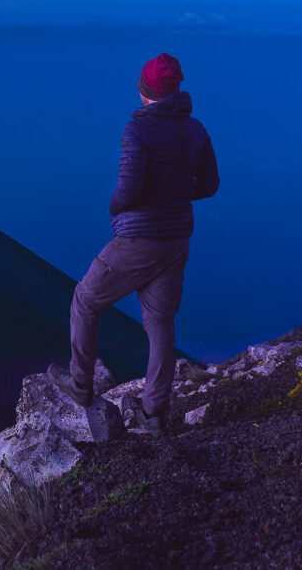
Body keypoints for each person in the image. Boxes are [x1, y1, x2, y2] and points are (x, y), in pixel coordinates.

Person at [48, 53, 219, 437]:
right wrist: (176, 194)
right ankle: (152, 413)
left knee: (86, 299)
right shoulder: (196, 130)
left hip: (138, 239)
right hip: (176, 240)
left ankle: (79, 385)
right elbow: (209, 185)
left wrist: (115, 204)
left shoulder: (137, 132)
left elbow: (127, 190)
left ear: (144, 91)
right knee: (160, 323)